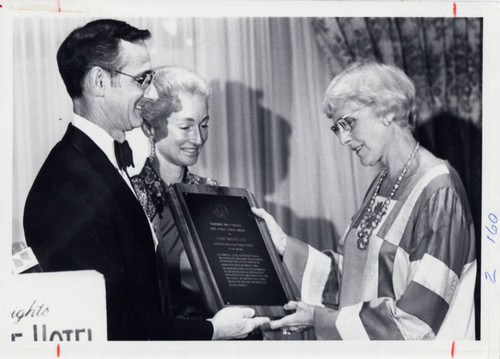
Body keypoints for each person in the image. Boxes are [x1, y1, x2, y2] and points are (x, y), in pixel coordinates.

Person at [23, 19, 268, 341]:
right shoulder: (66, 184)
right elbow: (107, 323)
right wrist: (212, 330)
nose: (151, 92)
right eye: (141, 79)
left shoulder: (98, 164)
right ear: (99, 82)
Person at [253, 61, 476, 340]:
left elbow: (417, 319)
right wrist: (283, 246)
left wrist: (320, 319)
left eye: (348, 123)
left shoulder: (440, 191)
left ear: (388, 111)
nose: (343, 139)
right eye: (337, 128)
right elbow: (350, 277)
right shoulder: (382, 183)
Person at [130, 66, 217, 320]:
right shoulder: (129, 195)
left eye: (204, 125)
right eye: (185, 127)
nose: (198, 139)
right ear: (149, 128)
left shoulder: (211, 192)